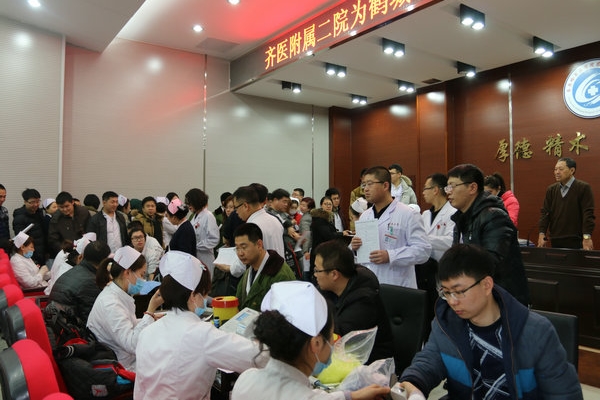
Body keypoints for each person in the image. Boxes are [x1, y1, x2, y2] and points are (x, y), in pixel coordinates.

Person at [399, 243, 582, 400]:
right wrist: (414, 383)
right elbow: (429, 361)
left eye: (459, 292)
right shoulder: (446, 323)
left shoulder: (535, 331)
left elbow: (564, 394)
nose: (452, 302)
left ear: (486, 285)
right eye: (446, 292)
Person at [135, 250, 269, 400]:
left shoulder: (147, 332)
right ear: (193, 296)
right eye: (204, 294)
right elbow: (256, 356)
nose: (206, 299)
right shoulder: (201, 334)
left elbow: (140, 390)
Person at [231, 281, 390, 400]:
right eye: (331, 336)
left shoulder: (246, 379)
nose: (333, 343)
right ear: (316, 343)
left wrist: (350, 396)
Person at [446, 164, 529, 306]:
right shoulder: (461, 219)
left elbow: (491, 262)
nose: (448, 192)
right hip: (474, 297)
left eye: (453, 186)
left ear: (472, 188)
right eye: (447, 187)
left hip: (502, 299)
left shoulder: (494, 216)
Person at [313, 240, 394, 364]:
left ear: (334, 274)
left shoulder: (364, 300)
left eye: (317, 270)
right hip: (342, 360)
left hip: (368, 367)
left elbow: (336, 337)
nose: (315, 275)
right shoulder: (329, 290)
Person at [350, 166, 431, 287]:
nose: (365, 189)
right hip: (370, 283)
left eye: (370, 184)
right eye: (364, 185)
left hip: (398, 284)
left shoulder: (408, 213)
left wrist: (391, 255)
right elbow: (362, 254)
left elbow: (423, 250)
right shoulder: (365, 216)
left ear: (385, 186)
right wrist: (354, 247)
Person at [87, 246, 163, 371]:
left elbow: (127, 323)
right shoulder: (110, 304)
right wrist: (150, 310)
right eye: (141, 275)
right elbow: (132, 344)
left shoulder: (118, 294)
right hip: (122, 365)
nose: (143, 280)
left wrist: (151, 319)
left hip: (126, 356)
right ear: (127, 273)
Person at [216, 185, 284, 279]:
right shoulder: (274, 220)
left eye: (236, 208)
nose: (236, 212)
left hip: (263, 276)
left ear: (245, 206)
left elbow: (246, 258)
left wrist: (230, 268)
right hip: (280, 271)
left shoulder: (251, 226)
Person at [47, 240, 111, 326]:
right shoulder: (91, 282)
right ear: (105, 262)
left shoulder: (74, 271)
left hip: (56, 325)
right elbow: (91, 321)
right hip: (69, 330)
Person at [234, 222, 296, 311]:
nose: (240, 253)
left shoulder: (280, 274)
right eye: (237, 248)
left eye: (244, 247)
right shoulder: (249, 270)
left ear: (259, 245)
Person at [538, 157, 595, 250]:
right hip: (555, 239)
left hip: (576, 240)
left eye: (561, 169)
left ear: (572, 170)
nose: (557, 172)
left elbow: (588, 214)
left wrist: (587, 237)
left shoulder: (583, 188)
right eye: (555, 169)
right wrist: (542, 233)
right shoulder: (551, 190)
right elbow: (545, 213)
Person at [421, 173, 456, 262]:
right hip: (425, 263)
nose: (423, 192)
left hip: (445, 263)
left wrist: (424, 238)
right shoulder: (425, 214)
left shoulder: (453, 213)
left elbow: (451, 241)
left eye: (425, 188)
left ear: (435, 190)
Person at [185, 188, 220, 275]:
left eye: (190, 203)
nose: (189, 206)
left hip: (205, 257)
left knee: (205, 280)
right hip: (195, 257)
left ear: (197, 202)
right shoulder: (194, 217)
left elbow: (214, 239)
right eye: (188, 203)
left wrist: (197, 246)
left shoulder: (208, 216)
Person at [48, 191, 90, 258]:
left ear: (72, 202)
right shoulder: (56, 218)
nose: (65, 209)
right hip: (66, 253)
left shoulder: (83, 212)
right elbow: (53, 240)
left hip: (84, 250)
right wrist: (64, 251)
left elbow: (90, 231)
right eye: (61, 207)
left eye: (67, 206)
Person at [13, 188, 47, 265]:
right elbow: (21, 240)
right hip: (30, 256)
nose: (36, 204)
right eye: (32, 202)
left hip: (41, 253)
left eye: (37, 201)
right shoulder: (20, 217)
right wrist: (32, 256)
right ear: (25, 202)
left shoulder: (39, 213)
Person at [0, 184, 8, 249]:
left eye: (4, 196)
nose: (2, 199)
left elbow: (7, 230)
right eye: (0, 196)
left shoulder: (4, 210)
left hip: (5, 246)